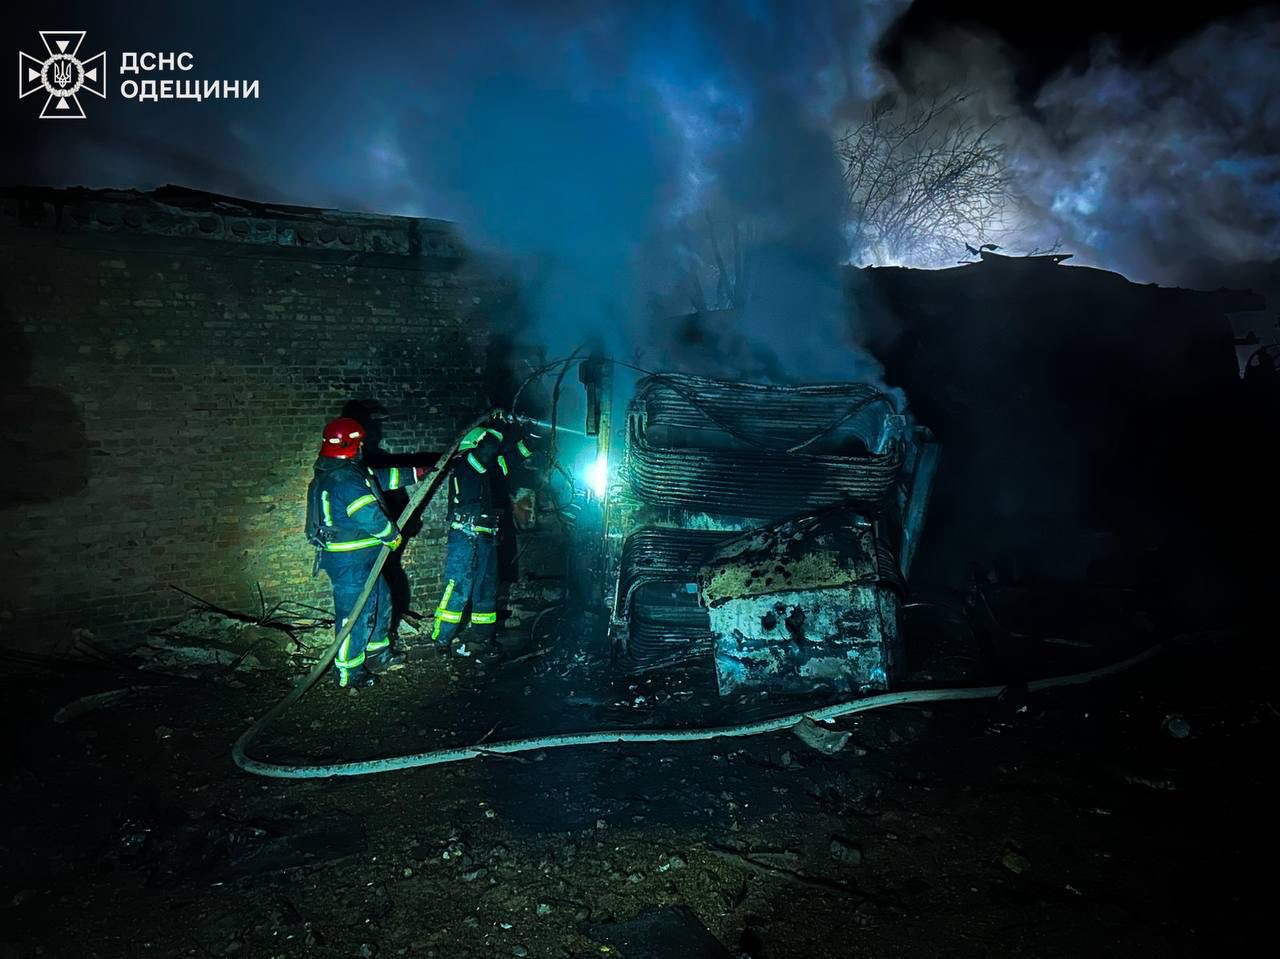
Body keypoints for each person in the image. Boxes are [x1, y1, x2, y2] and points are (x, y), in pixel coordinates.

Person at [305, 416, 429, 689]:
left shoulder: (347, 471)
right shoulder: (344, 479)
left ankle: (377, 654)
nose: (363, 447)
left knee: (381, 601)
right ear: (350, 445)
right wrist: (392, 536)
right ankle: (349, 672)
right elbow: (369, 516)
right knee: (355, 614)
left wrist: (418, 472)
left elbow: (381, 478)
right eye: (359, 443)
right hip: (349, 560)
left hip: (362, 557)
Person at [431, 410, 537, 654]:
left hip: (487, 535)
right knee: (458, 588)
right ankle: (442, 639)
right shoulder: (467, 463)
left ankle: (482, 637)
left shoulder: (488, 467)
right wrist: (498, 426)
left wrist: (533, 435)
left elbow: (514, 457)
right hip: (465, 536)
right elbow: (487, 451)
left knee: (486, 589)